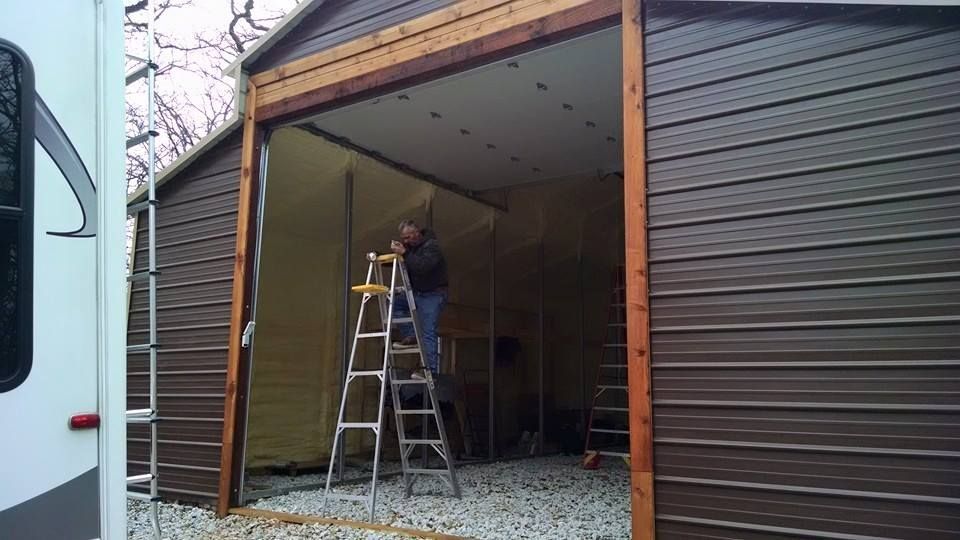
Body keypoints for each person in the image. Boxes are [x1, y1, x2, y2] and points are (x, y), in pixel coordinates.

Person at [390, 219, 448, 377]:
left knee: (428, 331)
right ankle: (411, 335)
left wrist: (405, 253)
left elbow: (422, 267)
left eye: (408, 238)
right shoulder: (410, 248)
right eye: (403, 238)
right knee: (395, 304)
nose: (405, 241)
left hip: (433, 294)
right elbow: (406, 260)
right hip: (417, 293)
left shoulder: (432, 247)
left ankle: (430, 371)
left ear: (416, 234)